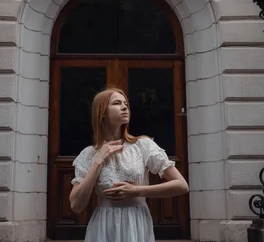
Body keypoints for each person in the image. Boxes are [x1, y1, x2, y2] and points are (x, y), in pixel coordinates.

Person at [69, 87, 189, 242]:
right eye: (117, 103)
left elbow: (181, 185)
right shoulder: (89, 154)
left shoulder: (143, 145)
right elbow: (76, 206)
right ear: (102, 112)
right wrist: (98, 161)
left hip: (136, 223)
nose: (125, 107)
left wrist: (136, 190)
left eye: (126, 103)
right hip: (104, 227)